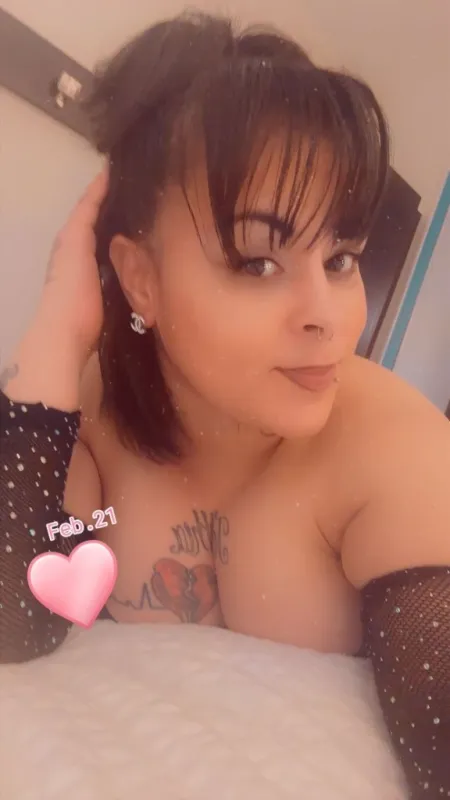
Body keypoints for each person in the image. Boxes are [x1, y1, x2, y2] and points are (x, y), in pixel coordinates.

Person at [0, 12, 449, 797]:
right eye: (259, 263)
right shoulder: (92, 418)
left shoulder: (390, 444)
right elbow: (14, 619)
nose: (327, 317)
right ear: (142, 280)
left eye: (341, 257)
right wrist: (54, 343)